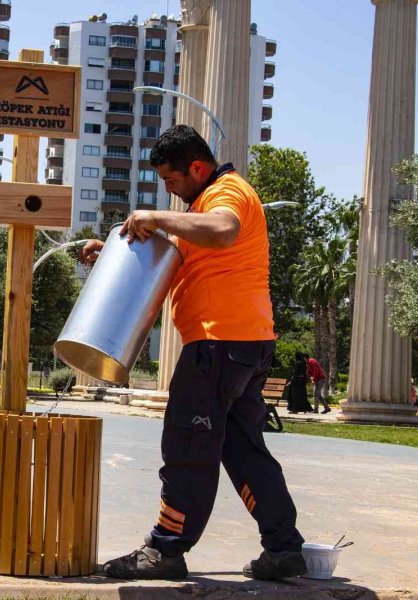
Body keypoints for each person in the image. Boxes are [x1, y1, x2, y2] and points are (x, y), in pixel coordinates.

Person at [82, 125, 307, 581]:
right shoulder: (200, 208)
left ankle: (166, 550)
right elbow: (184, 258)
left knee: (188, 445)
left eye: (172, 180)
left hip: (218, 346)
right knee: (243, 450)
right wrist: (110, 254)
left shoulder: (228, 194)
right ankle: (284, 548)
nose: (168, 190)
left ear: (198, 168)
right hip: (244, 344)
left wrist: (158, 217)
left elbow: (223, 231)